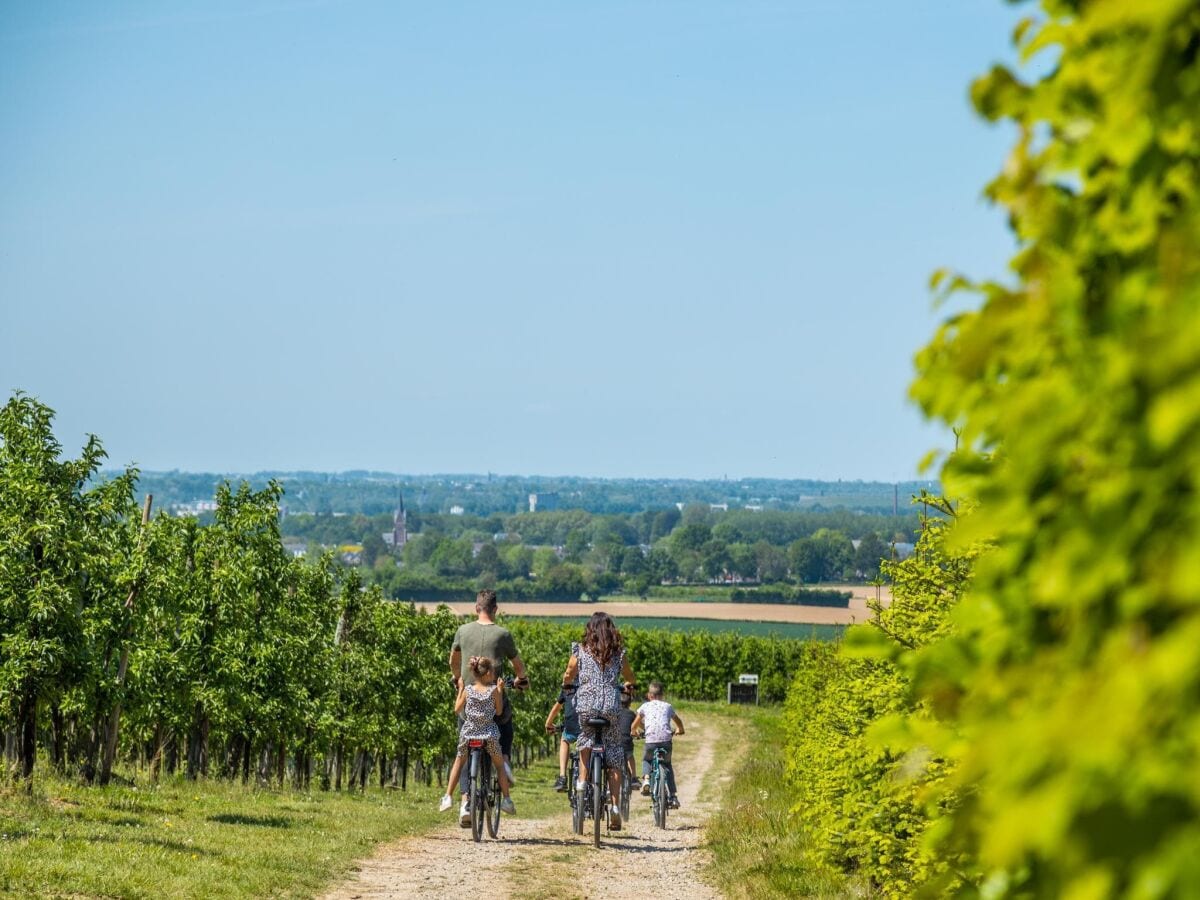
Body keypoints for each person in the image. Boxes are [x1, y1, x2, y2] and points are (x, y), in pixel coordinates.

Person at [448, 589, 529, 827]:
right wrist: (521, 679)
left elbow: (453, 660)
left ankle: (464, 801)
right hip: (493, 706)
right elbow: (518, 665)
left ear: (476, 608)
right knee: (505, 722)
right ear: (495, 609)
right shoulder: (503, 634)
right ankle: (503, 760)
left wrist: (457, 680)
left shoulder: (462, 631)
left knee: (462, 751)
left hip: (468, 707)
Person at [561, 612, 636, 830]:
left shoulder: (580, 650)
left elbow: (569, 673)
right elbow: (630, 677)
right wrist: (630, 684)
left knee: (585, 737)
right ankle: (614, 806)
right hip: (611, 707)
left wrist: (567, 682)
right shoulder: (618, 654)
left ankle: (582, 782)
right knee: (613, 751)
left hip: (585, 705)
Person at [439, 656, 516, 815]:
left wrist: (460, 688)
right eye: (493, 672)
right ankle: (507, 800)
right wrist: (501, 690)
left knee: (459, 762)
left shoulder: (468, 690)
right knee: (500, 765)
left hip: (469, 734)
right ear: (488, 673)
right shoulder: (493, 690)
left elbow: (457, 709)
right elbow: (499, 711)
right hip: (488, 734)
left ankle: (448, 797)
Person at [632, 681, 685, 809]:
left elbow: (634, 725)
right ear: (662, 695)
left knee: (647, 760)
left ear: (649, 695)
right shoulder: (668, 706)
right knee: (667, 765)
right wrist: (680, 729)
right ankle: (673, 796)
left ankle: (646, 779)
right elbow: (678, 721)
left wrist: (635, 732)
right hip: (666, 741)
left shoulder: (645, 706)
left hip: (650, 741)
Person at [544, 681, 580, 792]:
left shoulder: (568, 686)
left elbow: (557, 707)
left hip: (571, 724)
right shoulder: (592, 682)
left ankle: (562, 777)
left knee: (564, 739)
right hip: (589, 723)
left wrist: (548, 723)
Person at [617, 688, 638, 789]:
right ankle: (634, 778)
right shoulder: (631, 714)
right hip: (627, 745)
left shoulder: (614, 712)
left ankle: (608, 787)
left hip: (615, 744)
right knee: (630, 756)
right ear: (629, 703)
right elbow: (638, 725)